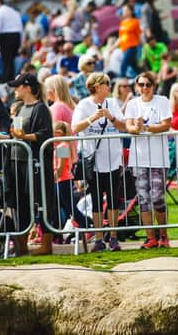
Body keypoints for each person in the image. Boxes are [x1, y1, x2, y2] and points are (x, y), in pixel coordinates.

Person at [0, 73, 56, 255]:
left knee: (41, 201)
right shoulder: (20, 109)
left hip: (33, 163)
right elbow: (15, 135)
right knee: (20, 203)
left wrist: (24, 137)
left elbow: (45, 134)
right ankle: (21, 245)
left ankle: (46, 244)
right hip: (17, 162)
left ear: (27, 87)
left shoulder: (40, 109)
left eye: (18, 86)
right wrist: (0, 136)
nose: (15, 89)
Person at [71, 72, 127, 251]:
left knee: (113, 199)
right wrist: (91, 119)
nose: (109, 87)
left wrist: (110, 117)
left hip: (113, 159)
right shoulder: (84, 105)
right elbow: (74, 128)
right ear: (96, 86)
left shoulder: (113, 103)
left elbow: (123, 126)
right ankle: (98, 238)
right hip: (93, 160)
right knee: (95, 200)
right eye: (106, 84)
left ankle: (113, 237)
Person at [124, 71, 172, 249]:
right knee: (143, 198)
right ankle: (150, 237)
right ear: (136, 87)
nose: (144, 88)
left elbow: (166, 124)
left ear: (154, 86)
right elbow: (128, 126)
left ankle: (164, 235)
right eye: (141, 84)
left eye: (148, 84)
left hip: (158, 157)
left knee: (158, 197)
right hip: (139, 157)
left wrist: (147, 127)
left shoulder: (162, 101)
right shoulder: (132, 104)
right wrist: (135, 129)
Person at [0, 0, 23, 82]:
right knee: (12, 60)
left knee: (6, 60)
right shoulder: (14, 12)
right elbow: (20, 27)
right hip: (16, 36)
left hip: (6, 37)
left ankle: (7, 80)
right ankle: (14, 78)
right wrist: (21, 41)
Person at [116, 4, 142, 78]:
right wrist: (112, 47)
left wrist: (144, 46)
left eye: (126, 10)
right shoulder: (122, 23)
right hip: (124, 48)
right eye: (123, 10)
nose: (124, 12)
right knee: (135, 67)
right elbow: (120, 37)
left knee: (123, 66)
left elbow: (139, 35)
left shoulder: (135, 22)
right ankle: (144, 78)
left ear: (131, 11)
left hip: (132, 47)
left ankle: (121, 82)